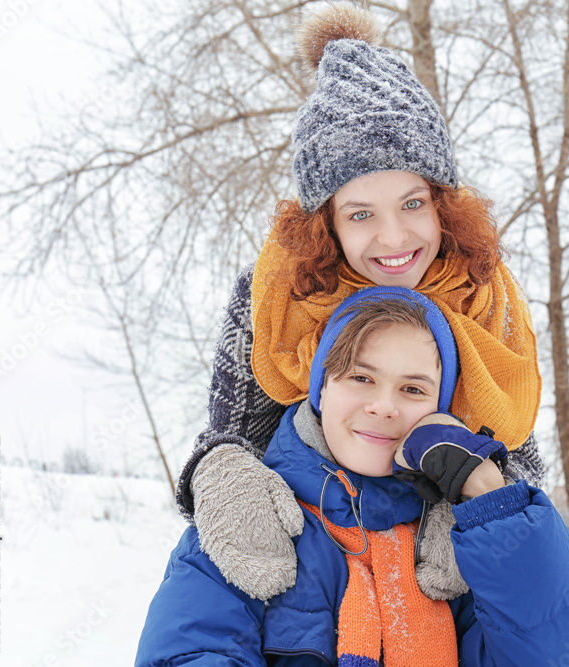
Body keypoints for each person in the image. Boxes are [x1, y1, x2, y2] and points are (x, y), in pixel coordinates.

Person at [176, 3, 546, 601]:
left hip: (442, 593)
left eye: (413, 204)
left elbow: (521, 454)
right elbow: (233, 435)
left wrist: (477, 502)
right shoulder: (277, 295)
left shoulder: (484, 293)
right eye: (360, 214)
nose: (394, 239)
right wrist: (218, 475)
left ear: (443, 203)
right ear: (326, 224)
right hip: (311, 572)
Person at [136, 288, 569, 667]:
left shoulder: (464, 546)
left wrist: (488, 494)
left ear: (440, 411)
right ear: (322, 388)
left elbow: (565, 655)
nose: (384, 406)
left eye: (413, 389)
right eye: (361, 377)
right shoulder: (243, 520)